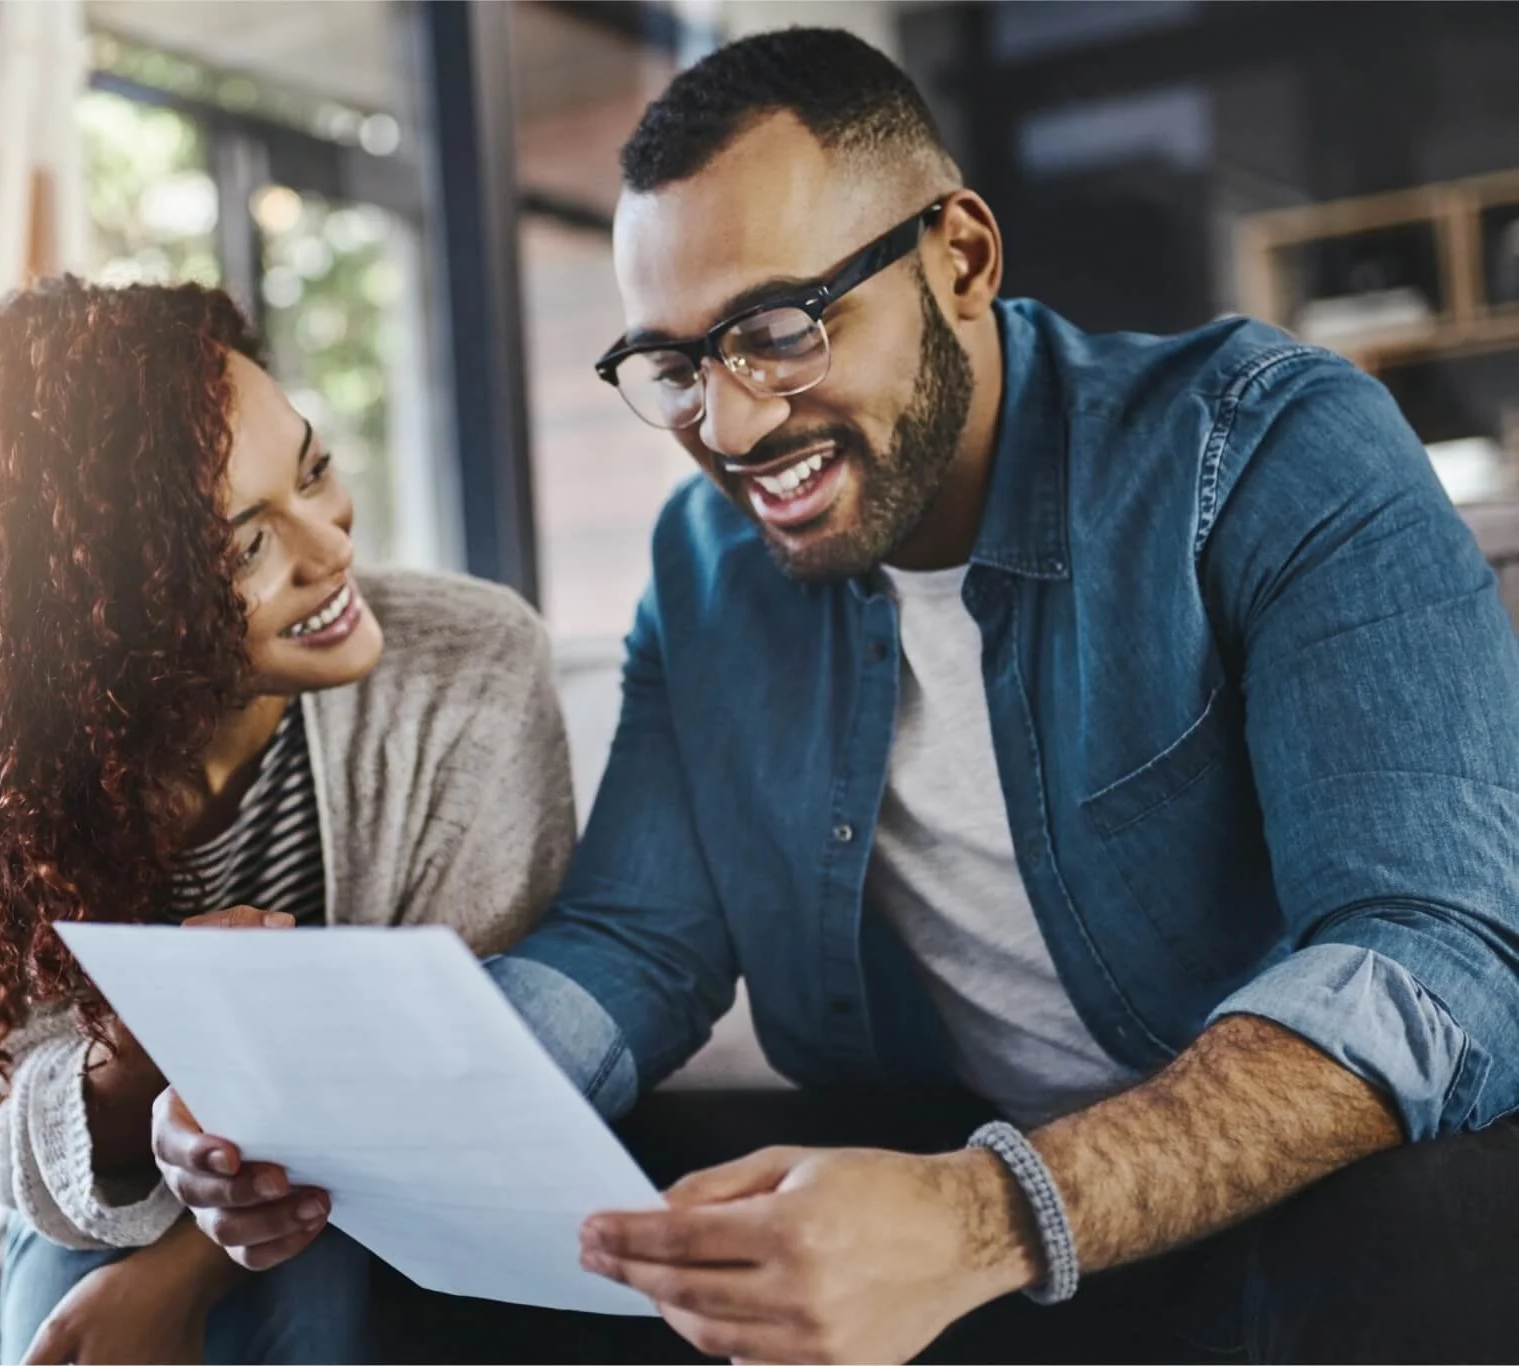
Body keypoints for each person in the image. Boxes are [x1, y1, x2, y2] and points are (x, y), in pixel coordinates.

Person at [156, 27, 1519, 1364]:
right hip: (958, 1183)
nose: (732, 425)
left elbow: (1440, 953)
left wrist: (988, 1213)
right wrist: (349, 1111)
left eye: (781, 328)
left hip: (1279, 1195)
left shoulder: (1267, 450)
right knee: (415, 1241)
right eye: (677, 365)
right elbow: (635, 946)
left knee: (1439, 1210)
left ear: (962, 258)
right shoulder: (707, 575)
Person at [0, 276, 578, 1364]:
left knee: (309, 1307)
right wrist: (130, 1060)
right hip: (122, 1194)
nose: (331, 549)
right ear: (107, 609)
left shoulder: (470, 665)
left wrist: (175, 1278)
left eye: (313, 470)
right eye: (247, 545)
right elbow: (22, 1158)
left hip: (395, 1167)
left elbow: (464, 1070)